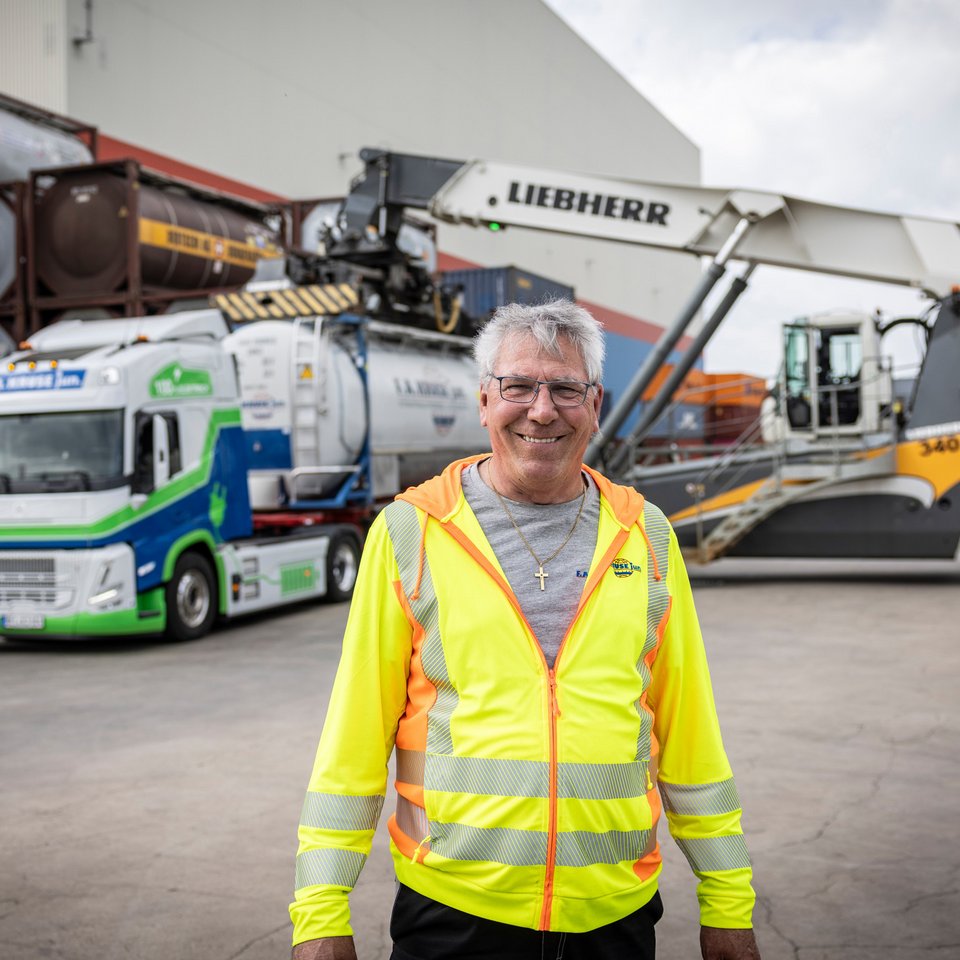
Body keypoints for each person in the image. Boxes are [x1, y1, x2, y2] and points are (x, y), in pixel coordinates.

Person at [290, 300, 761, 960]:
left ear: (594, 404)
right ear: (485, 400)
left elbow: (691, 737)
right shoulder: (411, 533)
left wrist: (728, 899)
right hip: (454, 912)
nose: (542, 410)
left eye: (565, 388)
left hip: (614, 915)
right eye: (518, 386)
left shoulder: (646, 536)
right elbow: (354, 735)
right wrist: (319, 911)